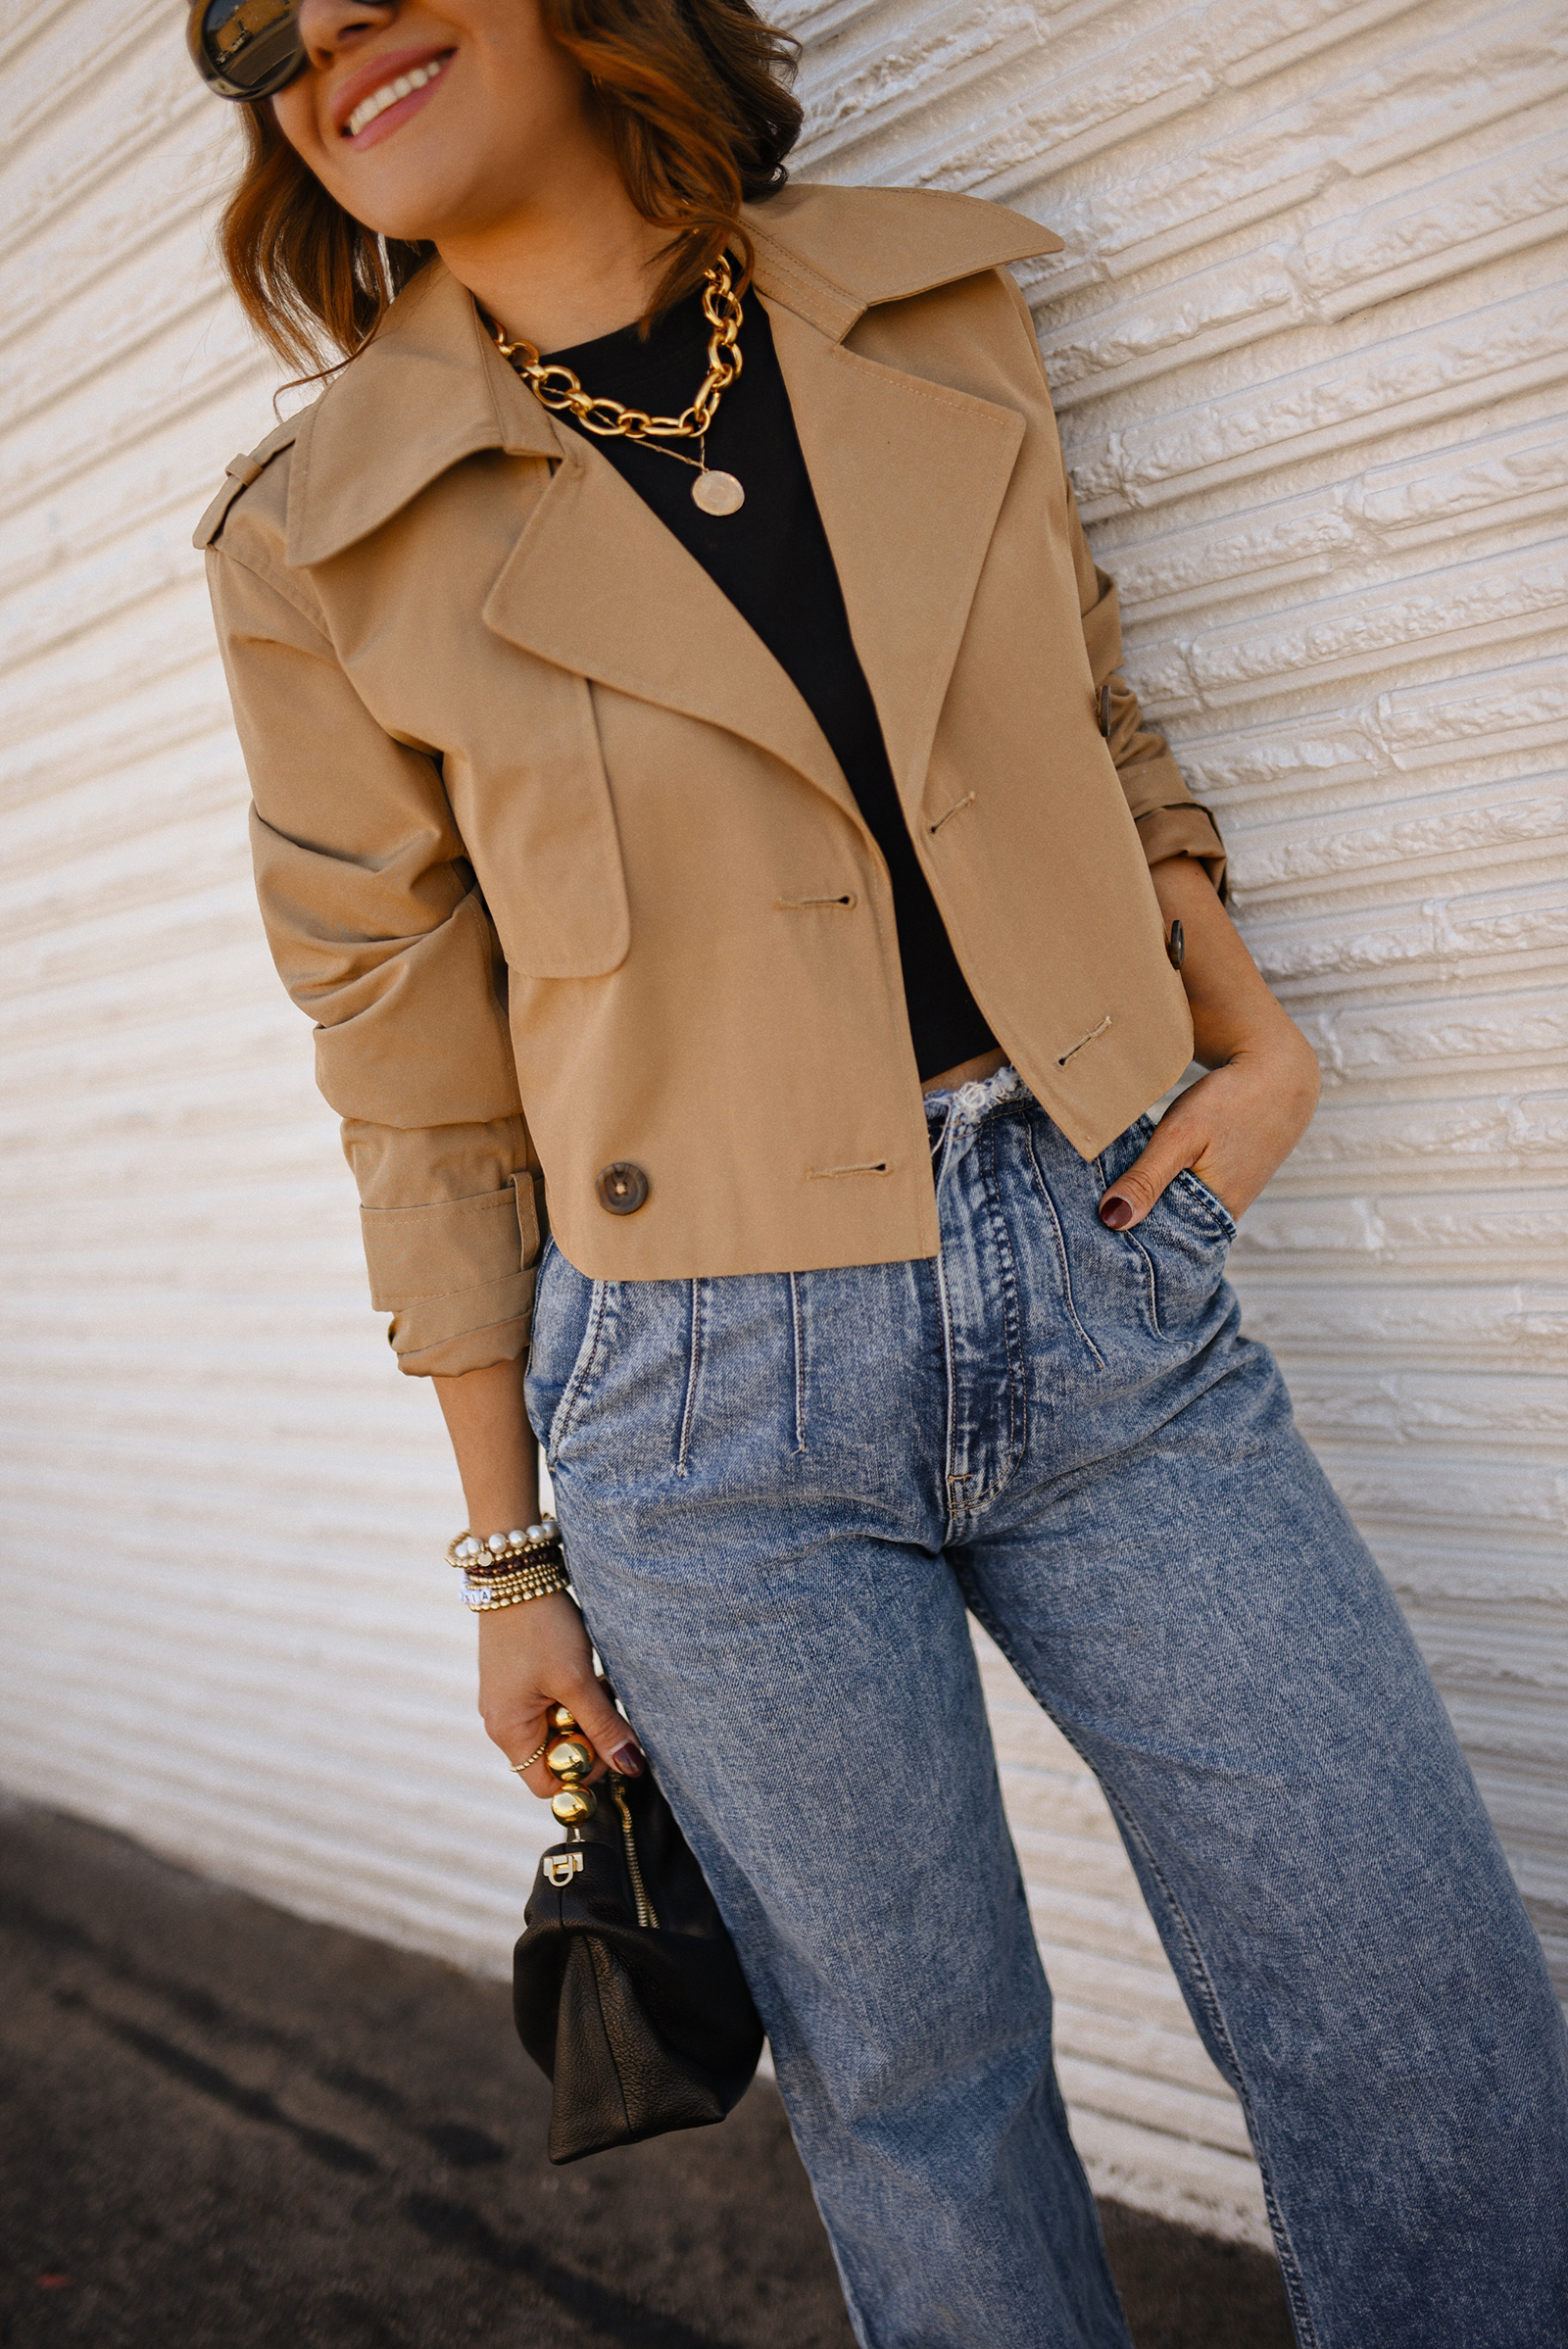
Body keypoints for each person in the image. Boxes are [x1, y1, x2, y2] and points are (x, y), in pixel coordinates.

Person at [189, 2, 1568, 2341]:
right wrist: (510, 1551)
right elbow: (408, 1077)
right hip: (698, 1396)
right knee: (917, 2089)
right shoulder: (321, 541)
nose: (321, 35)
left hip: (1103, 1263)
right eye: (253, 29)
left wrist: (1238, 1026)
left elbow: (1091, 692)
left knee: (1414, 1995)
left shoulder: (922, 307)